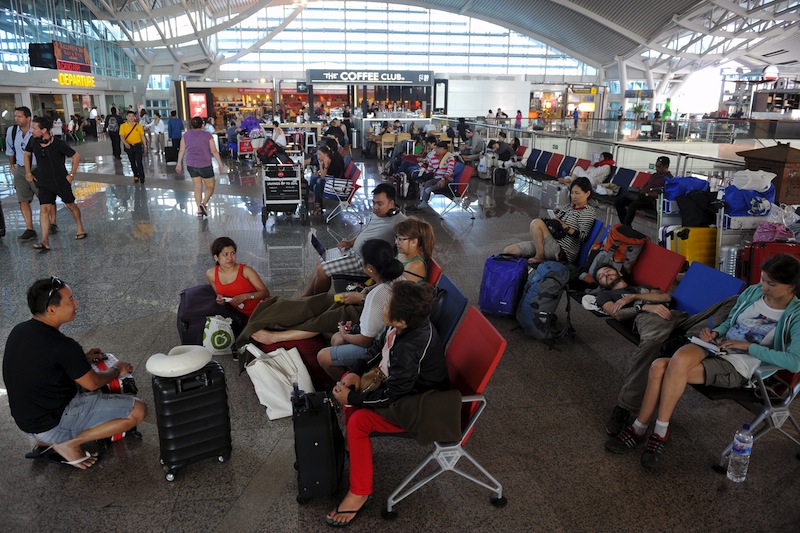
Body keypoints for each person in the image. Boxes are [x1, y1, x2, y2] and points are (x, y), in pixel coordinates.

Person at [606, 255, 800, 468]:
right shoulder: (753, 292)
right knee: (671, 361)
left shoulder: (796, 314)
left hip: (739, 363)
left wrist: (749, 347)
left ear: (790, 287)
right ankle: (655, 431)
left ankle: (641, 428)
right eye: (762, 279)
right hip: (717, 346)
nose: (763, 286)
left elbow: (794, 362)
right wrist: (715, 333)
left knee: (660, 366)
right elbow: (729, 321)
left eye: (771, 283)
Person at [326, 281, 449, 527]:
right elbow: (378, 350)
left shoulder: (409, 349)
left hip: (423, 407)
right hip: (404, 391)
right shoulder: (400, 329)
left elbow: (394, 396)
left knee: (360, 420)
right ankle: (355, 449)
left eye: (387, 305)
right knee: (349, 385)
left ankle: (360, 492)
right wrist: (357, 371)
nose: (383, 307)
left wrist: (352, 399)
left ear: (401, 321)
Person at [2, 277, 146, 469]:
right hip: (53, 423)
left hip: (28, 424)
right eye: (70, 300)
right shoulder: (64, 346)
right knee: (138, 410)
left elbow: (42, 364)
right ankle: (69, 443)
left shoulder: (19, 331)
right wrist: (116, 369)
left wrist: (81, 360)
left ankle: (49, 441)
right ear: (51, 310)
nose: (76, 303)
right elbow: (93, 383)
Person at [591, 264, 686, 437]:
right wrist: (642, 307)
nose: (605, 274)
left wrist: (633, 296)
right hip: (648, 319)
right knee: (651, 345)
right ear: (602, 284)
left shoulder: (641, 289)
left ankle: (674, 341)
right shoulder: (606, 295)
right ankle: (624, 407)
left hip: (676, 317)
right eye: (601, 276)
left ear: (619, 272)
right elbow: (616, 313)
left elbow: (665, 296)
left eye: (607, 271)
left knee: (724, 307)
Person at [302, 183, 406, 296]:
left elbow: (413, 239)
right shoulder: (379, 213)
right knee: (321, 259)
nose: (375, 207)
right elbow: (367, 231)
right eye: (374, 203)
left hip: (363, 261)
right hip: (352, 252)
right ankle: (306, 298)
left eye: (379, 204)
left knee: (322, 270)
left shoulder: (401, 222)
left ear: (391, 203)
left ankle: (313, 302)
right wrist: (350, 242)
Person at [24, 116, 87, 250]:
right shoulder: (33, 141)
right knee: (44, 209)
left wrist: (71, 175)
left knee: (70, 205)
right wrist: (28, 172)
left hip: (60, 181)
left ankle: (80, 227)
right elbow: (27, 154)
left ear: (44, 130)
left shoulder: (58, 143)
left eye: (34, 128)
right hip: (44, 182)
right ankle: (45, 240)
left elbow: (76, 156)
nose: (32, 131)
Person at [503, 177, 596, 265]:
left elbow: (582, 236)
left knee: (536, 223)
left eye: (577, 193)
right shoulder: (568, 207)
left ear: (587, 193)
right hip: (548, 243)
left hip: (562, 251)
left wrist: (563, 225)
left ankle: (539, 256)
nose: (573, 196)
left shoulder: (587, 212)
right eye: (572, 193)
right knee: (509, 251)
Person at [5, 106, 55, 241]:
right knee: (23, 199)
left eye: (20, 116)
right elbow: (10, 150)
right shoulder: (12, 131)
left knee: (45, 197)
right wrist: (12, 165)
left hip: (38, 168)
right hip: (20, 168)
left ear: (28, 118)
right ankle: (30, 228)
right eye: (15, 116)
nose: (17, 119)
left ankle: (52, 223)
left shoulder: (35, 132)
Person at [206, 237, 270, 319]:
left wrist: (245, 296)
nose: (230, 258)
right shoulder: (211, 274)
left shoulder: (246, 271)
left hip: (262, 311)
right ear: (216, 257)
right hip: (240, 316)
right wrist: (220, 300)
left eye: (233, 253)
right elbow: (220, 295)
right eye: (225, 254)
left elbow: (265, 292)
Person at [175, 116, 227, 218]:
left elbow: (181, 150)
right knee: (210, 186)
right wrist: (220, 163)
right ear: (202, 125)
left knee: (197, 186)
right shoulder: (207, 135)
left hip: (191, 164)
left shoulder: (186, 135)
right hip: (205, 164)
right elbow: (214, 151)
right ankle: (203, 203)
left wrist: (178, 163)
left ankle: (199, 210)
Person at [615, 156, 673, 226]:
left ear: (666, 166)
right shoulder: (654, 175)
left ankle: (625, 226)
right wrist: (640, 191)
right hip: (642, 196)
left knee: (633, 205)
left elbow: (663, 194)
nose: (656, 169)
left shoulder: (669, 179)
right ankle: (625, 225)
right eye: (656, 166)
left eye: (659, 166)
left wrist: (647, 194)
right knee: (619, 202)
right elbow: (645, 186)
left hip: (652, 200)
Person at [417, 141, 456, 209]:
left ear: (445, 150)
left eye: (439, 148)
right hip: (436, 178)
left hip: (447, 179)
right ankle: (424, 202)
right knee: (428, 182)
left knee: (441, 182)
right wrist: (425, 178)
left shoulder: (450, 158)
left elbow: (450, 170)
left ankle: (432, 188)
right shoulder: (433, 158)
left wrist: (443, 179)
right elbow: (429, 170)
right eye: (436, 148)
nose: (436, 150)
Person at [310, 144, 345, 215]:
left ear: (325, 155)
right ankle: (314, 197)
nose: (318, 156)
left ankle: (318, 205)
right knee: (314, 178)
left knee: (319, 181)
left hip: (335, 184)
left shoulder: (327, 162)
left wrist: (320, 165)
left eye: (320, 154)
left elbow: (323, 177)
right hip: (330, 180)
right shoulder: (327, 159)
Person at [119, 110, 148, 184]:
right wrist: (125, 143)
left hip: (138, 146)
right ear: (126, 117)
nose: (131, 118)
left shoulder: (138, 126)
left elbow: (142, 136)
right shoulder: (123, 126)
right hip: (129, 146)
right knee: (132, 162)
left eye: (132, 116)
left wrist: (145, 146)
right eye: (129, 116)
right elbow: (122, 136)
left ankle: (141, 176)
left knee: (139, 162)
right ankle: (135, 174)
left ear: (134, 117)